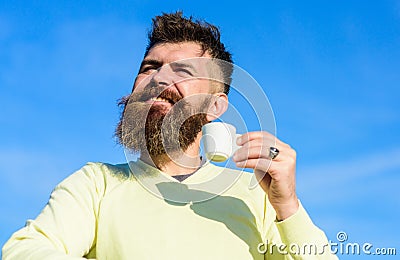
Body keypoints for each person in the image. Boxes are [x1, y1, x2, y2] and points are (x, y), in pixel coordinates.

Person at [2, 12, 337, 259]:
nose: (159, 78)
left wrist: (287, 205)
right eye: (150, 67)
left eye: (183, 70)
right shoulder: (96, 184)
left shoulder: (256, 200)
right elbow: (26, 251)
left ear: (216, 106)